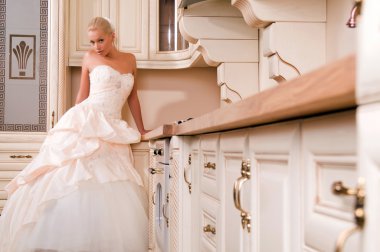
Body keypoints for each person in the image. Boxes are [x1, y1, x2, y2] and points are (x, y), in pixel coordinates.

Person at [0, 17, 149, 251]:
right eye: (92, 41)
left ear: (113, 36)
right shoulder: (89, 58)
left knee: (108, 181)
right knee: (74, 175)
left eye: (101, 40)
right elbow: (82, 96)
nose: (96, 46)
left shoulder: (130, 60)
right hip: (87, 118)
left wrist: (142, 129)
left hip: (113, 126)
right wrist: (69, 124)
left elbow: (132, 98)